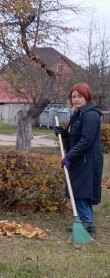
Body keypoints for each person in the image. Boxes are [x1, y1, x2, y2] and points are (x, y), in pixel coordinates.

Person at [54, 83, 104, 234]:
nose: (76, 99)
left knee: (79, 190)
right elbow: (74, 136)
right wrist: (63, 133)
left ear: (87, 97)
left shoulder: (90, 115)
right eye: (73, 96)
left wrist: (69, 156)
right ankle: (87, 221)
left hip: (87, 160)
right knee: (81, 190)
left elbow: (86, 140)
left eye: (80, 96)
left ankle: (86, 222)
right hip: (79, 158)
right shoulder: (78, 114)